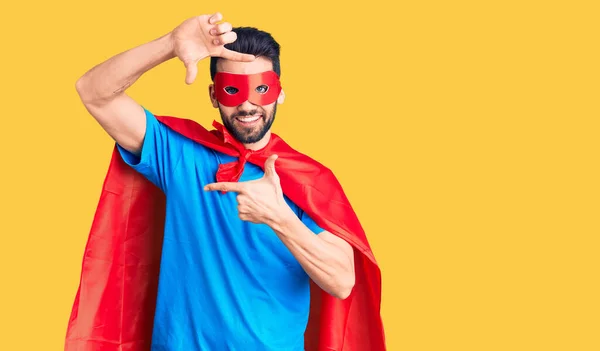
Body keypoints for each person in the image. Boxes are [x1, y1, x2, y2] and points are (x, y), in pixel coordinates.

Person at [67, 12, 385, 351]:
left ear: (279, 94)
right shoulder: (179, 153)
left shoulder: (308, 180)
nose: (248, 104)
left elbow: (342, 281)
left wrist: (279, 217)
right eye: (232, 90)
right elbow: (94, 92)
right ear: (214, 96)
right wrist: (169, 45)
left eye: (261, 89)